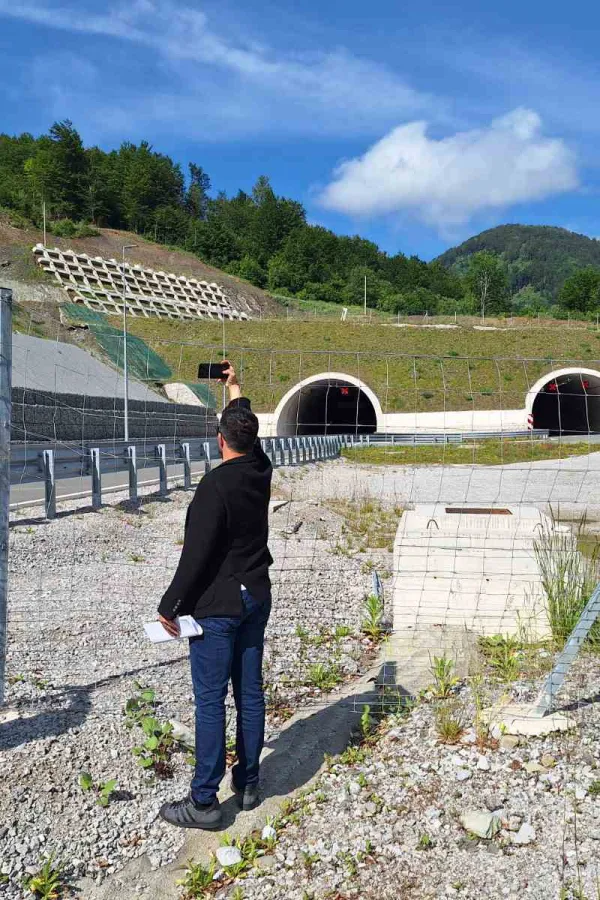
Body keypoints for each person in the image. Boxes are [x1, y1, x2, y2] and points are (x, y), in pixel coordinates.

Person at [157, 362, 273, 830]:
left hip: (220, 605)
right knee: (249, 694)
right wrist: (236, 391)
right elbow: (245, 426)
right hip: (256, 596)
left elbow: (196, 558)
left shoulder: (214, 486)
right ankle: (247, 784)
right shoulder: (259, 466)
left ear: (219, 440)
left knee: (210, 702)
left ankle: (203, 802)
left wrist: (170, 607)